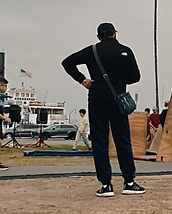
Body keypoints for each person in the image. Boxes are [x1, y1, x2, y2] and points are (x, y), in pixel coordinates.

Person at [61, 22, 144, 197]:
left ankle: (106, 185)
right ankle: (129, 182)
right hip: (118, 100)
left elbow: (67, 62)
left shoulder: (92, 51)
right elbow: (135, 77)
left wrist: (82, 79)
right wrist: (119, 80)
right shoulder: (126, 51)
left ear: (98, 37)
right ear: (115, 34)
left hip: (98, 100)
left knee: (100, 142)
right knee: (123, 141)